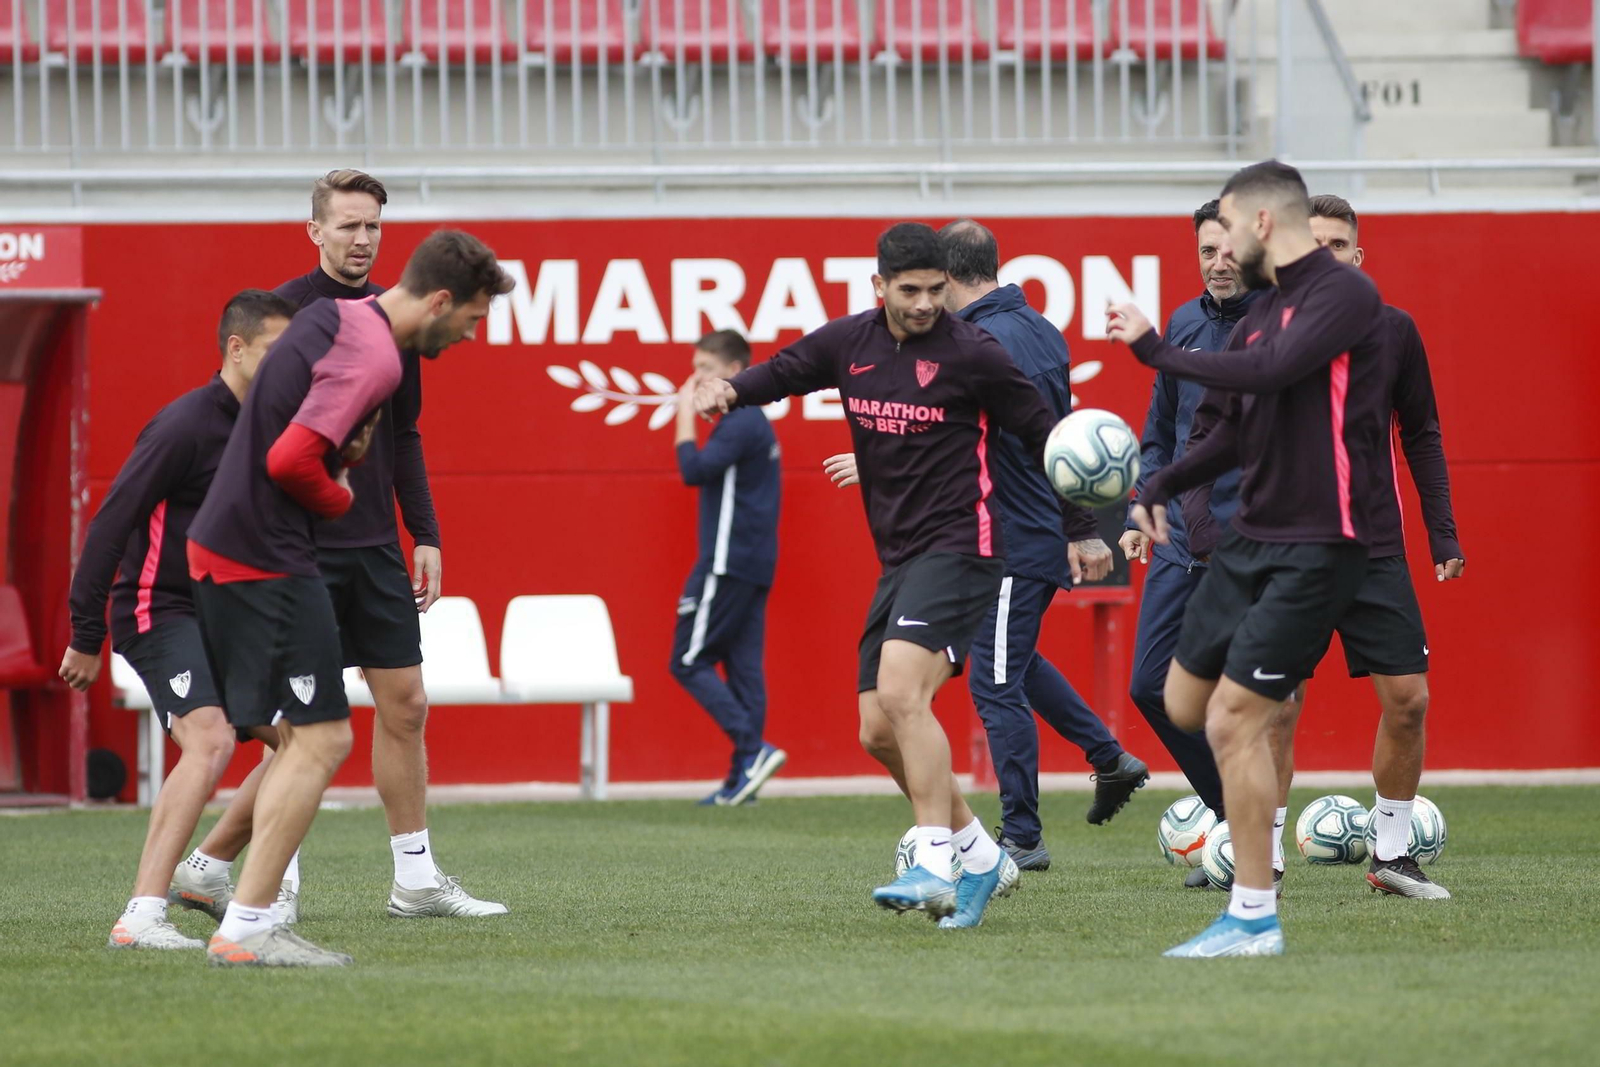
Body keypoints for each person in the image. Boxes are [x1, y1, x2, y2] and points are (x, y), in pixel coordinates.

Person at [696, 223, 1095, 929]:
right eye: (908, 290)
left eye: (935, 290)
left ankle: (934, 864)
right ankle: (980, 852)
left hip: (965, 549)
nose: (922, 303)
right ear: (877, 285)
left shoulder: (975, 352)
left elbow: (1046, 437)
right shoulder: (849, 343)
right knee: (877, 728)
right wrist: (731, 392)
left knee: (903, 692)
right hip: (903, 558)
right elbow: (786, 372)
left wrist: (1083, 527)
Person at [175, 169, 507, 923]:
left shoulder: (399, 325)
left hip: (373, 550)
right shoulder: (290, 316)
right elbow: (263, 438)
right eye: (349, 225)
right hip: (297, 545)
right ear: (315, 230)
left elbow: (405, 434)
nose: (362, 239)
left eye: (374, 227)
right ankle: (268, 887)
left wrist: (422, 530)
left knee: (406, 703)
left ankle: (414, 878)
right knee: (301, 727)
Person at [1108, 160, 1401, 958]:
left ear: (1263, 223)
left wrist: (1156, 352)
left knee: (1237, 719)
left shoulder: (1341, 297)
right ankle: (1249, 876)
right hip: (1250, 540)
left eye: (1230, 229)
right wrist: (1158, 485)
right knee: (1175, 699)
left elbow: (1268, 373)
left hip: (1315, 543)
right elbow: (1233, 425)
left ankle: (1252, 910)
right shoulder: (1264, 313)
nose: (1222, 249)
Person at [824, 219, 1132, 872]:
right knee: (1013, 664)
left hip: (1008, 536)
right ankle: (1108, 756)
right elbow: (1047, 439)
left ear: (951, 278)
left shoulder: (980, 341)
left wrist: (1074, 528)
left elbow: (1011, 436)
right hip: (1033, 531)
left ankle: (1021, 836)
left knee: (994, 684)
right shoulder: (1043, 329)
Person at [59, 291, 294, 950]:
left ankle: (210, 868)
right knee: (213, 740)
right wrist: (85, 634)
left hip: (229, 614)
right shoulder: (185, 424)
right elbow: (112, 520)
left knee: (307, 740)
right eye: (277, 352)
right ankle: (140, 916)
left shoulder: (276, 426)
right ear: (236, 349)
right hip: (156, 607)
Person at [1262, 194, 1463, 899]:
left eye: (1338, 246)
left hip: (1374, 545)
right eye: (1312, 245)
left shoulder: (1395, 332)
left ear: (1358, 256)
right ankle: (1267, 859)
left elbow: (1423, 432)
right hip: (1289, 546)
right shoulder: (1269, 328)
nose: (1326, 258)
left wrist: (1442, 530)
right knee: (1279, 705)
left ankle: (1393, 853)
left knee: (1409, 699)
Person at [1119, 200, 1264, 890]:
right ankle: (1233, 821)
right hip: (1179, 543)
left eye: (1228, 248)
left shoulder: (1282, 323)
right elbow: (1159, 427)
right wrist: (1142, 501)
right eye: (1207, 251)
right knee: (1151, 687)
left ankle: (1251, 846)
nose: (1218, 262)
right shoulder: (1181, 322)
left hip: (1249, 545)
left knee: (1241, 704)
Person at [669, 329, 787, 806]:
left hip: (726, 562)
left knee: (688, 660)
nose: (695, 378)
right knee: (742, 670)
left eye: (704, 367)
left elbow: (693, 471)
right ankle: (745, 780)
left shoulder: (740, 420)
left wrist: (683, 415)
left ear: (734, 372)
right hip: (752, 563)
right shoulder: (749, 421)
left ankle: (753, 750)